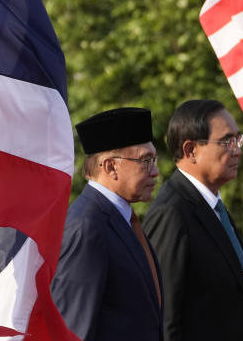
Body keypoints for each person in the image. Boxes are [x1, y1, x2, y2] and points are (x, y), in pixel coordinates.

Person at [143, 99, 243, 341]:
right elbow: (164, 319)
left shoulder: (213, 207)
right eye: (227, 141)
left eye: (238, 139)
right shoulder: (172, 213)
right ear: (190, 150)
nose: (237, 149)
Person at [50, 107, 163, 341]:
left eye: (154, 160)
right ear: (110, 167)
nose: (156, 172)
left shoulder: (122, 218)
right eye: (145, 161)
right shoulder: (87, 227)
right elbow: (73, 331)